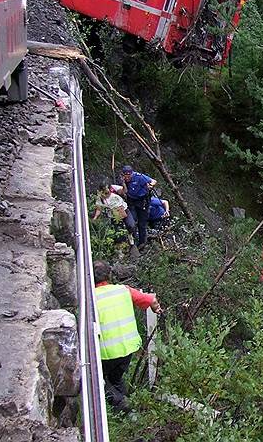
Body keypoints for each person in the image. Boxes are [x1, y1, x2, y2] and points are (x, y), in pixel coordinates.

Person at [93, 260, 162, 410]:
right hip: (128, 348)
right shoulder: (123, 290)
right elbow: (151, 299)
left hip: (105, 352)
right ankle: (128, 410)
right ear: (110, 275)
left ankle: (121, 405)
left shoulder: (90, 298)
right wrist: (157, 309)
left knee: (99, 381)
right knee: (116, 379)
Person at [120, 165, 156, 247]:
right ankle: (132, 241)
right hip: (131, 201)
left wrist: (150, 186)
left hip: (142, 202)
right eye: (126, 175)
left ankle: (142, 242)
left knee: (142, 223)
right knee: (132, 221)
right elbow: (124, 191)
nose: (127, 177)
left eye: (129, 175)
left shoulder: (139, 177)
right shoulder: (123, 180)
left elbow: (153, 181)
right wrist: (123, 183)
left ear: (132, 174)